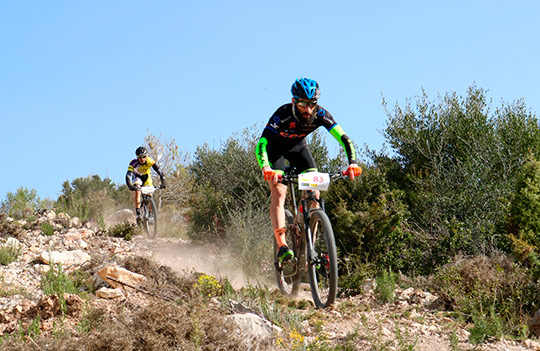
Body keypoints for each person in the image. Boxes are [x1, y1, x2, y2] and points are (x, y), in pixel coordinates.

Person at [255, 77, 362, 263]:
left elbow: (344, 138)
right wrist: (266, 167)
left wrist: (352, 162)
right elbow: (262, 144)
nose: (308, 109)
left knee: (315, 193)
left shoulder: (321, 114)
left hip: (298, 149)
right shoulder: (282, 114)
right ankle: (282, 245)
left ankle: (308, 245)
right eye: (304, 104)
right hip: (275, 151)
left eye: (312, 103)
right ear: (294, 101)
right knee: (279, 191)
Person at [125, 146, 166, 222]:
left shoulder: (150, 161)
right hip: (137, 177)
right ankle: (138, 214)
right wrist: (130, 185)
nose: (142, 159)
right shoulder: (133, 163)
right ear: (137, 157)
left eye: (144, 157)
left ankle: (150, 214)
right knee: (138, 190)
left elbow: (160, 172)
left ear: (146, 156)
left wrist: (163, 182)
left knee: (150, 194)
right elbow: (128, 176)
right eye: (140, 157)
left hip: (147, 177)